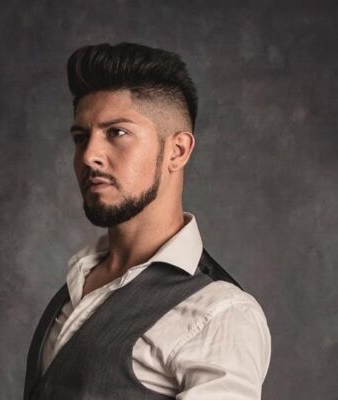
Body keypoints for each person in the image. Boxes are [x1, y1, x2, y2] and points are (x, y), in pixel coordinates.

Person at [24, 42, 271, 400]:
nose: (90, 155)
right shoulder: (79, 279)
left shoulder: (219, 314)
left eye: (117, 133)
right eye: (81, 138)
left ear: (177, 151)